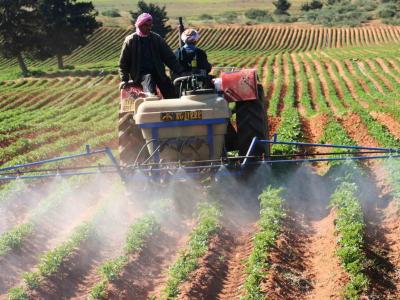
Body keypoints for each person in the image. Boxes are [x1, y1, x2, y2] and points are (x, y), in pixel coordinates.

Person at [118, 13, 184, 98]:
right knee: (149, 81)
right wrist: (124, 79)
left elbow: (169, 58)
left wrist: (181, 71)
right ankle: (151, 100)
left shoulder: (157, 39)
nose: (148, 27)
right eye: (146, 25)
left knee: (171, 91)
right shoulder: (130, 41)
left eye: (150, 25)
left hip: (158, 73)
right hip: (140, 75)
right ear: (139, 25)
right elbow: (123, 63)